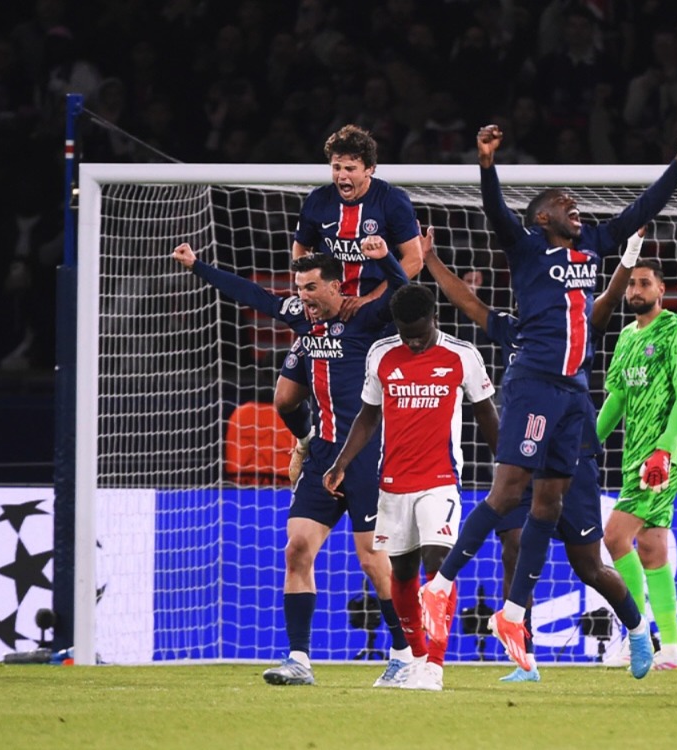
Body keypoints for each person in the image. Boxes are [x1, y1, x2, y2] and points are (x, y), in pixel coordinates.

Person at [419, 122, 677, 679]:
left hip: (575, 395)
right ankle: (441, 585)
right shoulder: (526, 251)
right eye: (565, 205)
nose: (578, 209)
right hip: (535, 386)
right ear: (542, 218)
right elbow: (495, 214)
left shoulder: (593, 247)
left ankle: (540, 618)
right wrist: (486, 162)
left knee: (550, 510)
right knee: (509, 496)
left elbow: (640, 211)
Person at [172, 238, 416, 687]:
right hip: (322, 454)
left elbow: (407, 297)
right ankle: (299, 659)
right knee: (296, 548)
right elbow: (253, 295)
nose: (302, 297)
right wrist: (197, 267)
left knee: (372, 560)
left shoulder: (364, 317)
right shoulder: (301, 318)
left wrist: (384, 260)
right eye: (298, 288)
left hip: (366, 456)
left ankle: (404, 655)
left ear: (335, 286)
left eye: (310, 288)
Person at [424, 225, 655, 681]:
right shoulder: (516, 333)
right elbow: (469, 304)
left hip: (574, 459)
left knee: (589, 566)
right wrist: (431, 261)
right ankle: (524, 657)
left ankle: (639, 629)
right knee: (513, 541)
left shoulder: (575, 329)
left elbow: (604, 305)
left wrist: (628, 253)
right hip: (525, 454)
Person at [323, 283, 499, 691]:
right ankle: (415, 658)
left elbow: (488, 416)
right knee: (400, 570)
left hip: (440, 481)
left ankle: (435, 666)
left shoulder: (462, 355)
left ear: (434, 318)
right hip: (393, 482)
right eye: (407, 335)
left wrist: (508, 468)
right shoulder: (382, 355)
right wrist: (342, 462)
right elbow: (368, 416)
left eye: (420, 333)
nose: (414, 341)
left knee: (437, 565)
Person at [287, 123, 424, 483]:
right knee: (285, 399)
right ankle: (305, 441)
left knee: (371, 403)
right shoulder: (318, 201)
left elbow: (413, 259)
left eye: (350, 168)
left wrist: (368, 300)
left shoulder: (391, 201)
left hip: (373, 318)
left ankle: (374, 471)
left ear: (369, 169)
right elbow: (300, 249)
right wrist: (310, 289)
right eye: (336, 167)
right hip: (325, 313)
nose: (342, 175)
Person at [597, 259, 677, 671]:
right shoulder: (625, 337)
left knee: (614, 536)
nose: (636, 290)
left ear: (661, 290)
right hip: (632, 455)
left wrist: (666, 449)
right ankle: (672, 648)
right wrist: (587, 443)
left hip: (660, 456)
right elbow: (617, 400)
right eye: (632, 284)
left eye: (645, 283)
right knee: (653, 547)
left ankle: (636, 633)